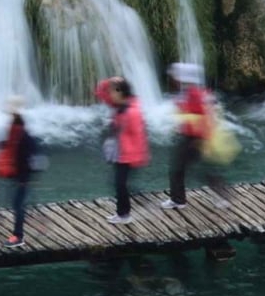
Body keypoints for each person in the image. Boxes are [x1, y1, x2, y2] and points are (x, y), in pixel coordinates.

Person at [162, 63, 232, 211]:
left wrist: (203, 139)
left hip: (195, 137)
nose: (173, 79)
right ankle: (223, 195)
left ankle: (178, 200)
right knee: (203, 168)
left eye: (175, 77)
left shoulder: (194, 94)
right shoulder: (195, 92)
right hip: (192, 136)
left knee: (179, 169)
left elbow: (207, 116)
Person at [96, 77, 149, 224]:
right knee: (119, 184)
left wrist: (138, 158)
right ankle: (123, 212)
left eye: (113, 91)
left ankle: (124, 215)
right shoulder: (119, 105)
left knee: (120, 184)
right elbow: (100, 93)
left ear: (121, 93)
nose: (110, 94)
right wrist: (109, 82)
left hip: (128, 156)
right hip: (120, 153)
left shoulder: (132, 112)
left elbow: (139, 137)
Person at [0, 95, 42, 246]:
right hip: (18, 174)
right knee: (17, 202)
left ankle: (18, 236)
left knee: (18, 204)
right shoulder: (17, 128)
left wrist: (25, 177)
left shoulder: (22, 132)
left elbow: (29, 153)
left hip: (22, 175)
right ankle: (31, 223)